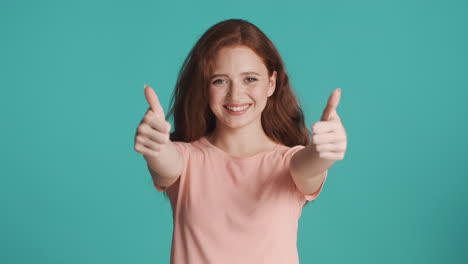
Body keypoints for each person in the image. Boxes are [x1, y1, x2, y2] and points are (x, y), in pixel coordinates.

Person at [134, 18, 347, 264]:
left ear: (271, 83)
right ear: (205, 88)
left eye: (250, 79)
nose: (235, 94)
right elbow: (165, 161)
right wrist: (155, 147)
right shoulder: (185, 160)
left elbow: (309, 164)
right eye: (220, 80)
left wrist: (323, 153)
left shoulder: (290, 164)